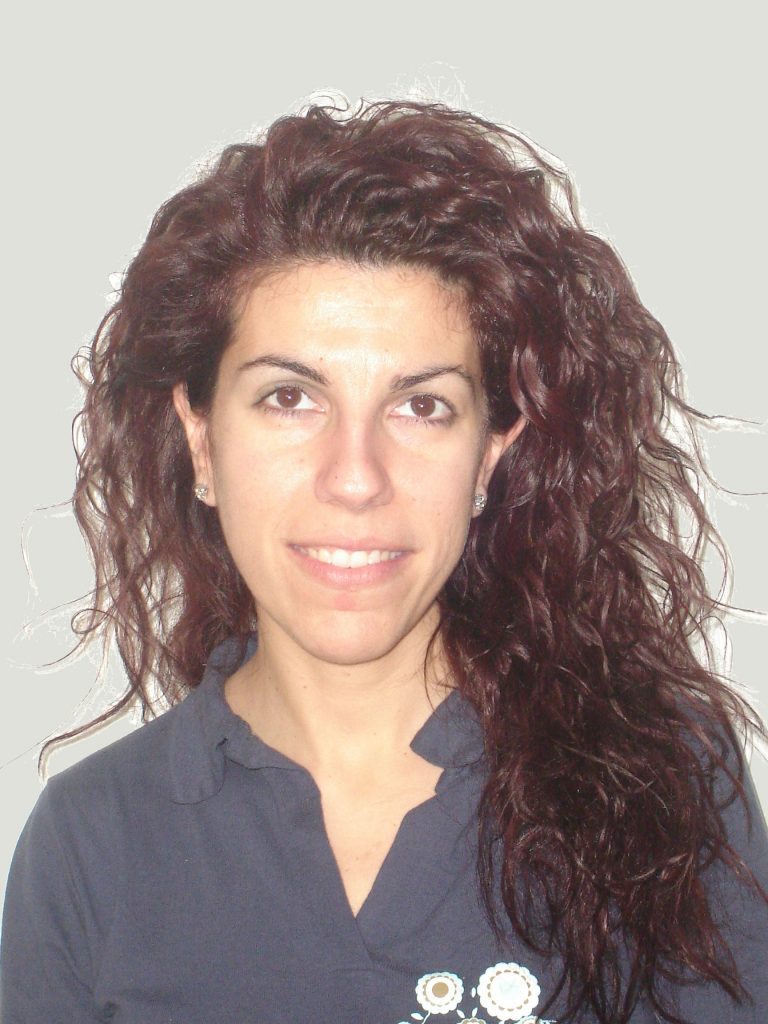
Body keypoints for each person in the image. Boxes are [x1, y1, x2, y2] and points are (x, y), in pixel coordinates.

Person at [1, 98, 767, 1024]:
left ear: (488, 457)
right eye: (289, 398)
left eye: (422, 406)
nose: (356, 478)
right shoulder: (90, 843)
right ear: (200, 440)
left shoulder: (660, 782)